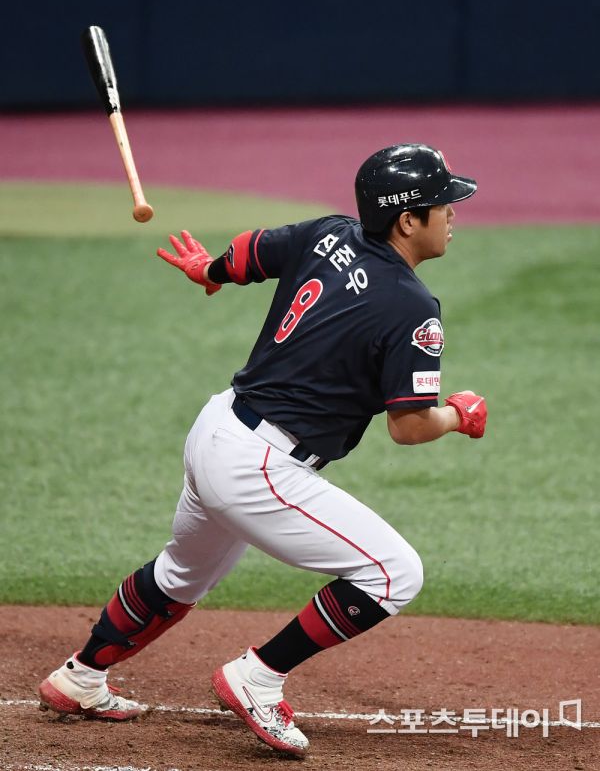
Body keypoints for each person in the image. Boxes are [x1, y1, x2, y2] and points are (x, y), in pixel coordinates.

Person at [39, 143, 487, 756]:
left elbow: (252, 252)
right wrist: (459, 415)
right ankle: (259, 676)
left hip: (217, 428)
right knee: (393, 573)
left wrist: (210, 271)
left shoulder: (330, 233)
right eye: (443, 205)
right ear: (407, 221)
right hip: (261, 467)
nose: (453, 214)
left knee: (181, 574)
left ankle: (80, 677)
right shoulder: (413, 307)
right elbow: (408, 426)